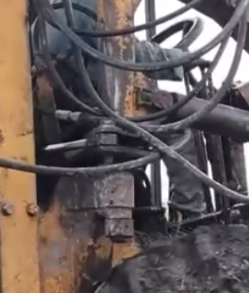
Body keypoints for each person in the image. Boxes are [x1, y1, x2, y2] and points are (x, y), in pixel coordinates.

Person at [34, 0, 207, 219]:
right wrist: (180, 59)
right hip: (82, 116)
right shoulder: (87, 5)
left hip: (62, 114)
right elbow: (124, 50)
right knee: (177, 128)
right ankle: (191, 214)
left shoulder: (52, 12)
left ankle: (150, 216)